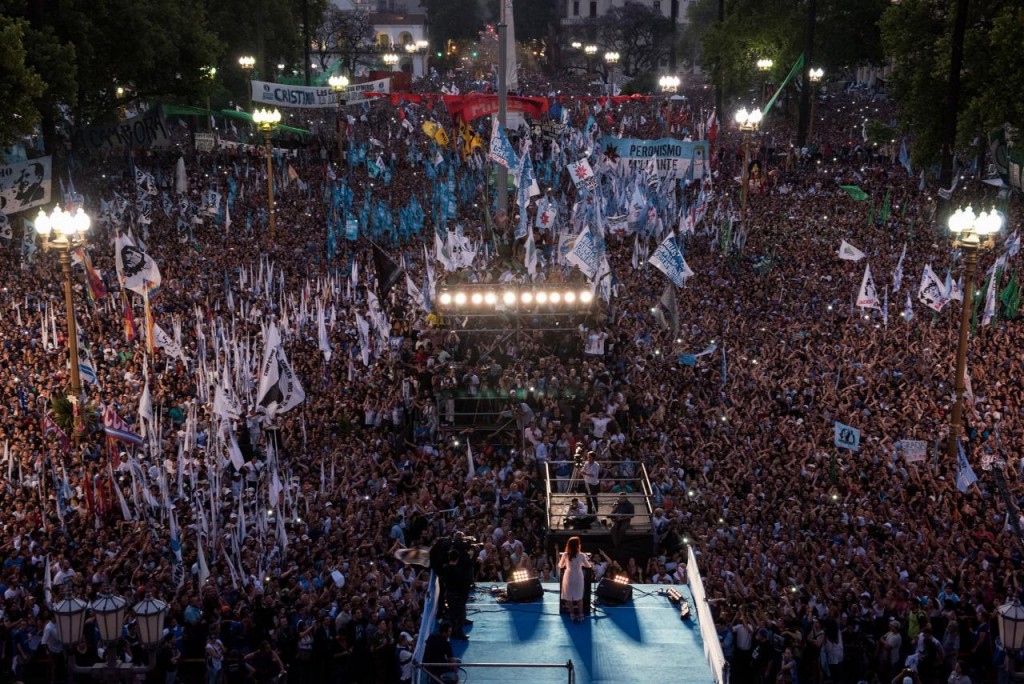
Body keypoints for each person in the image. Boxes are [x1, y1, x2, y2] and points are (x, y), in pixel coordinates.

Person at [558, 536, 592, 623]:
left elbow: (560, 566)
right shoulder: (581, 555)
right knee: (579, 597)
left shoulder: (565, 555)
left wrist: (567, 564)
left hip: (568, 576)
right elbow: (588, 566)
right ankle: (581, 615)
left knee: (570, 597)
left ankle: (572, 615)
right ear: (577, 545)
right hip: (578, 576)